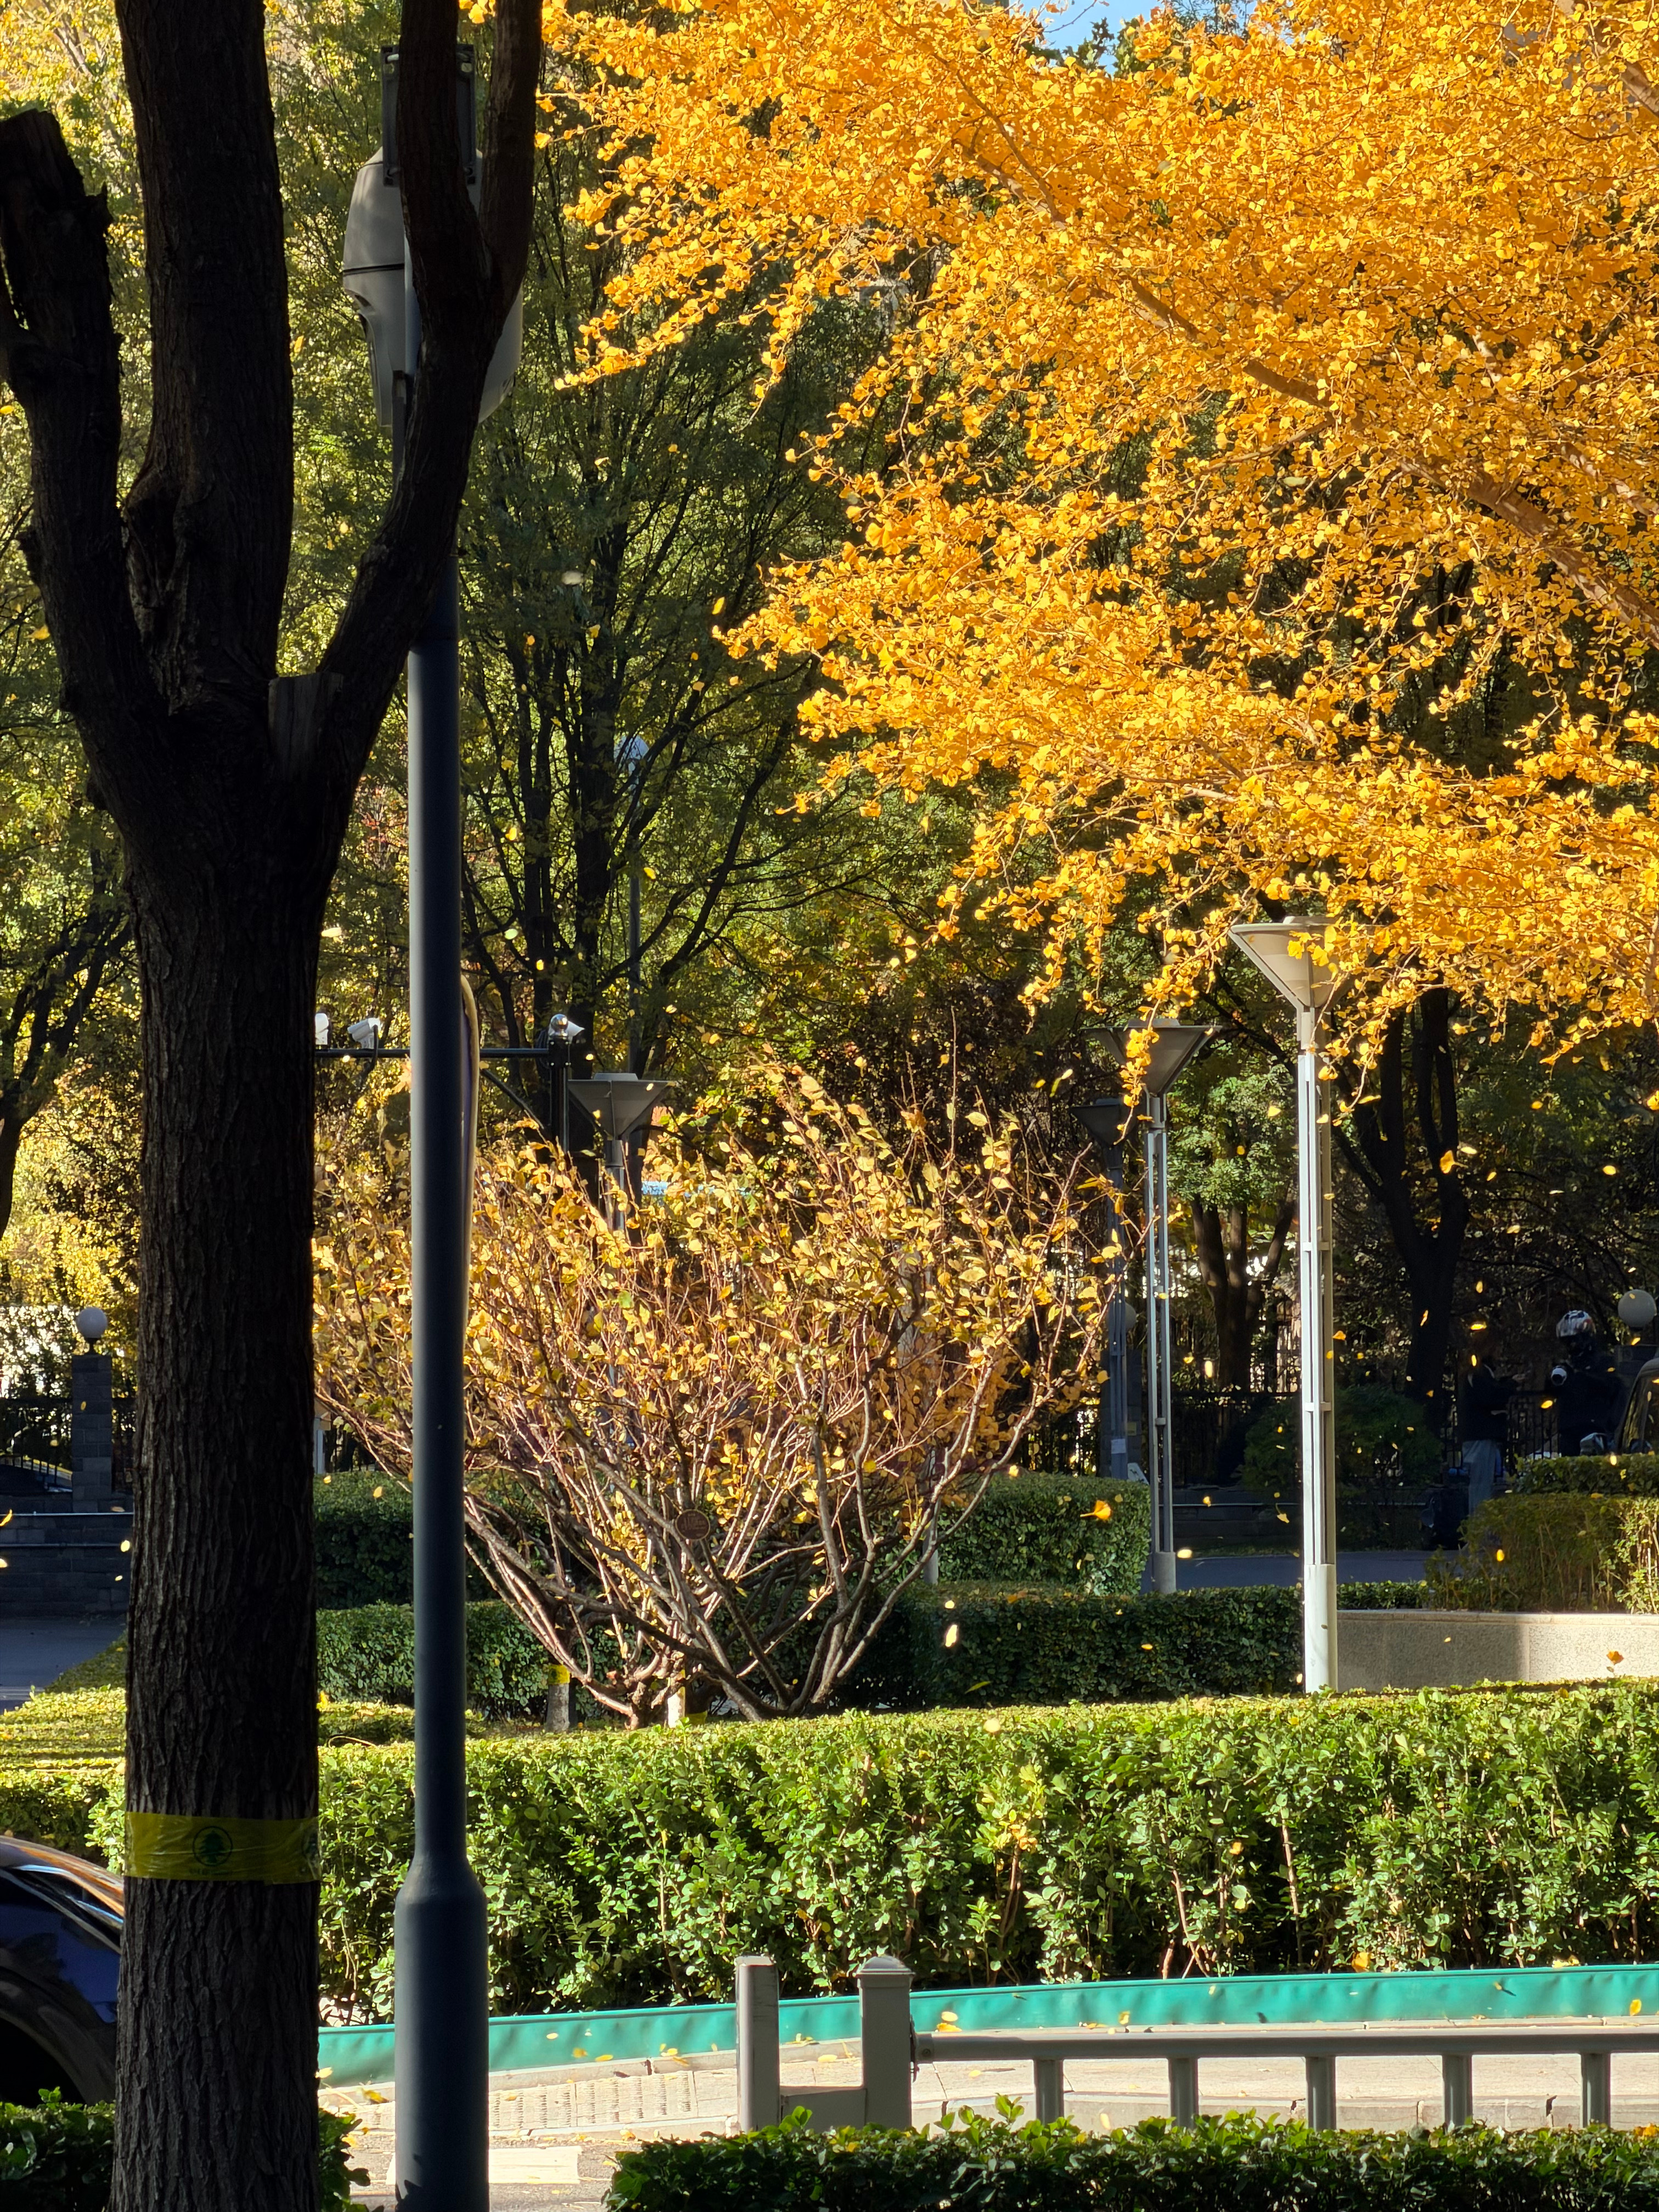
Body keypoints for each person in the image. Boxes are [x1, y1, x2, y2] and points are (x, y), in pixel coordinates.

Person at [1554, 1311, 1621, 1457]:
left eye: (1574, 1341)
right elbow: (1553, 1392)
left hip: (1595, 1429)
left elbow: (1611, 1387)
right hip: (1569, 1430)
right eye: (1567, 1342)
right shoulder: (1568, 1366)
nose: (1571, 1346)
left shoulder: (1603, 1362)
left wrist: (1581, 1376)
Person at [1460, 1354, 1515, 1517]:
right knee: (1481, 1485)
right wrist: (1511, 1385)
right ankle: (1479, 1525)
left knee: (1481, 1483)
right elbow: (1491, 1396)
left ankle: (1479, 1523)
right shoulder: (1479, 1374)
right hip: (1481, 1436)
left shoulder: (1475, 1374)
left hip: (1478, 1436)